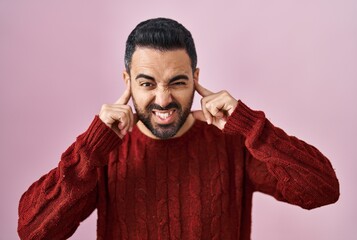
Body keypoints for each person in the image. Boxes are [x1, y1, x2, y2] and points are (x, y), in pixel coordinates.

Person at [17, 17, 340, 240]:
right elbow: (33, 231)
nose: (163, 99)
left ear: (196, 79)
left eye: (178, 82)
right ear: (127, 82)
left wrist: (252, 126)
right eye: (147, 83)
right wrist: (90, 149)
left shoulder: (233, 145)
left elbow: (322, 190)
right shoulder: (103, 154)